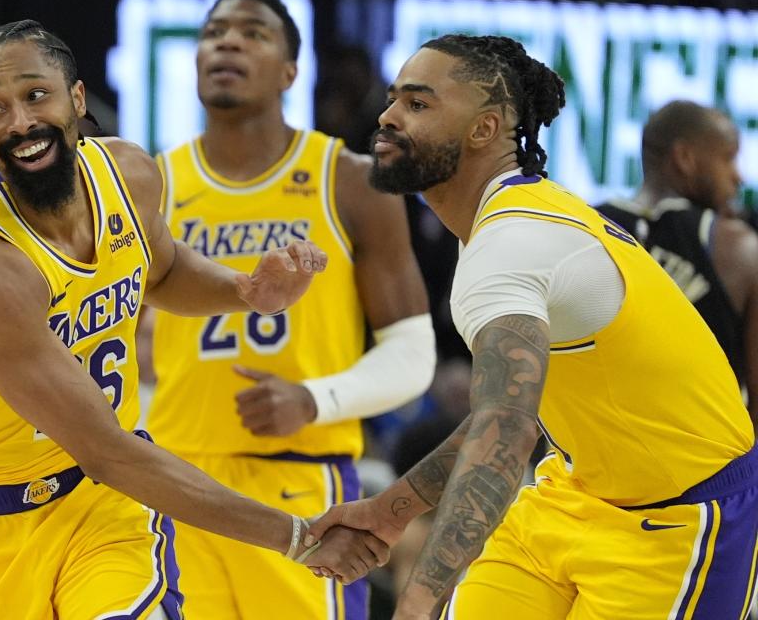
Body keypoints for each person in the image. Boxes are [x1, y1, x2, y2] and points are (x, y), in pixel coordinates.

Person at [0, 19, 387, 620]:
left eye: (36, 95)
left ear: (76, 99)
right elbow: (104, 449)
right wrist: (299, 537)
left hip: (110, 509)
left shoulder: (127, 174)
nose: (21, 123)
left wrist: (245, 291)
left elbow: (159, 271)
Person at [305, 35, 758, 620]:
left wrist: (416, 599)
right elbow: (505, 413)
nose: (388, 117)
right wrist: (391, 511)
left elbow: (507, 432)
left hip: (678, 519)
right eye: (394, 100)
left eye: (418, 104)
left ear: (485, 128)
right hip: (570, 495)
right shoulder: (504, 221)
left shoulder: (512, 243)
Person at [145, 0, 434, 618]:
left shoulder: (349, 180)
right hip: (177, 482)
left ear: (289, 70)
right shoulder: (153, 185)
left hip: (301, 482)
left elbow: (414, 354)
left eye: (252, 33)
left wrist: (312, 400)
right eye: (214, 31)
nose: (227, 41)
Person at [598, 101, 758, 424]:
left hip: (592, 461)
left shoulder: (582, 229)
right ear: (685, 158)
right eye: (728, 158)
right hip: (705, 462)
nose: (737, 176)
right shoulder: (737, 246)